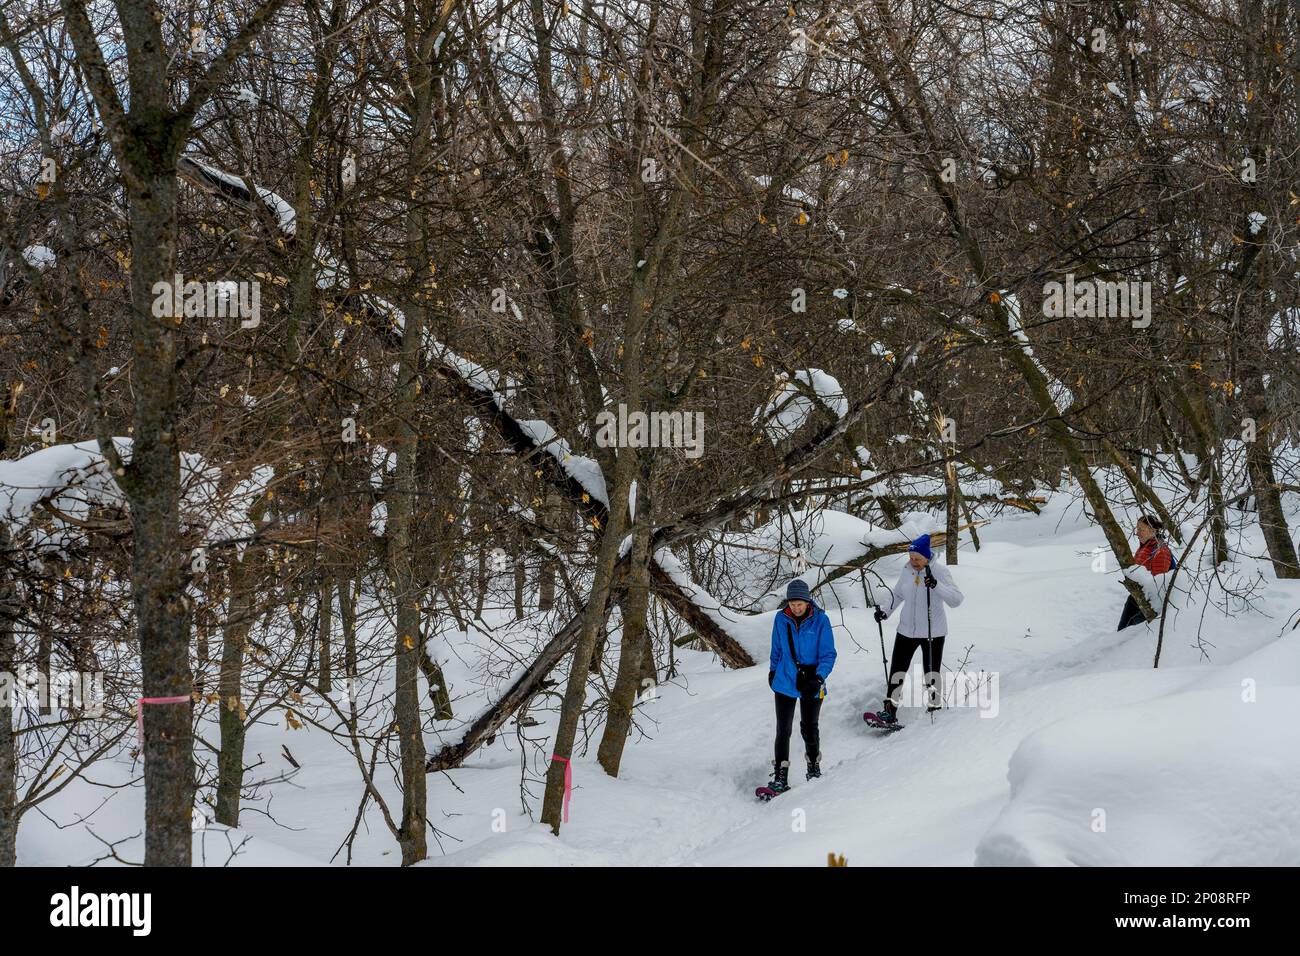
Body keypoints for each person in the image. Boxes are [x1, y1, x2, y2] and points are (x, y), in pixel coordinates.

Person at [871, 534, 963, 723]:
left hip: (933, 632)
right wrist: (885, 612)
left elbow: (956, 599)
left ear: (927, 557)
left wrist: (936, 586)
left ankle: (934, 708)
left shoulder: (940, 571)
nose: (913, 562)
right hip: (906, 630)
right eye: (911, 558)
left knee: (931, 674)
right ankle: (890, 712)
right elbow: (897, 594)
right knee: (897, 671)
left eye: (917, 559)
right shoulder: (907, 570)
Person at [764, 579, 836, 794]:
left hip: (813, 681)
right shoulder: (781, 618)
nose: (796, 608)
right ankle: (780, 776)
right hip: (785, 678)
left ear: (807, 602)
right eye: (793, 604)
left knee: (809, 726)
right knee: (783, 729)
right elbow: (776, 647)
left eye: (800, 604)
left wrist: (819, 678)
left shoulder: (821, 620)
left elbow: (828, 654)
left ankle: (813, 766)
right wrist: (773, 670)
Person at [1117, 514, 1175, 630]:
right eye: (1137, 529)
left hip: (1147, 604)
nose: (1137, 533)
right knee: (1122, 635)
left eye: (1141, 530)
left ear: (1153, 530)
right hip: (1136, 599)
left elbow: (1158, 586)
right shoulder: (1145, 547)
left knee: (1130, 638)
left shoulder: (1160, 551)